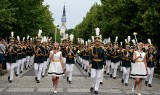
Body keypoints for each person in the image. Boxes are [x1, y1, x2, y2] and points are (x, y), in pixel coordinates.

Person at [89, 28, 106, 94]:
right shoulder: (92, 48)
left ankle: (96, 89)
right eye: (96, 41)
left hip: (100, 64)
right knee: (93, 77)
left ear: (100, 42)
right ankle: (92, 86)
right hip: (93, 64)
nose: (97, 42)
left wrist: (104, 63)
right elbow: (90, 56)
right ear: (94, 42)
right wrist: (90, 63)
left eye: (98, 41)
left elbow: (104, 56)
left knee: (98, 77)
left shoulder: (102, 48)